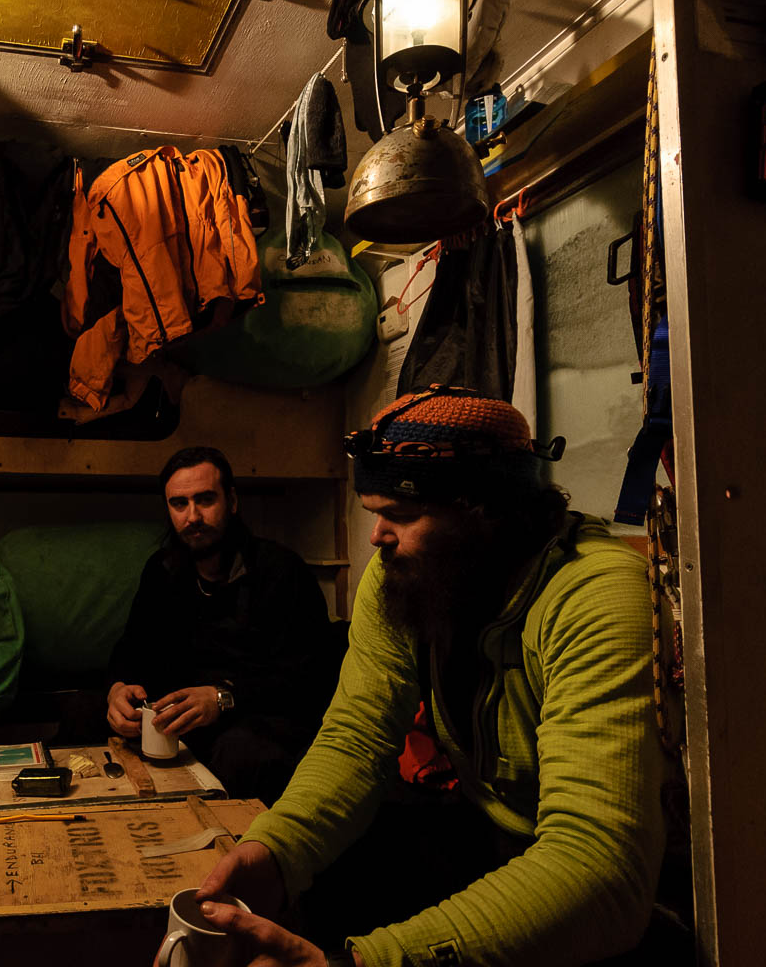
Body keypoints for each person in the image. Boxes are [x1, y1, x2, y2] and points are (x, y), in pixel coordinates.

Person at [182, 385, 683, 967]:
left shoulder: (596, 596)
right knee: (331, 871)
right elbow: (357, 736)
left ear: (486, 512)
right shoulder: (406, 574)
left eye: (400, 515)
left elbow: (598, 865)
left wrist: (366, 963)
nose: (377, 536)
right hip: (486, 830)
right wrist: (276, 851)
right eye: (373, 513)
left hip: (607, 884)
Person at [105, 447, 343, 805]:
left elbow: (309, 678)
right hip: (178, 722)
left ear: (231, 502)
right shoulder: (163, 570)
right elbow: (132, 647)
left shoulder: (281, 571)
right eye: (179, 504)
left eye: (205, 500)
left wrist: (222, 697)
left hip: (257, 721)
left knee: (242, 753)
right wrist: (117, 690)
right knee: (83, 717)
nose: (193, 516)